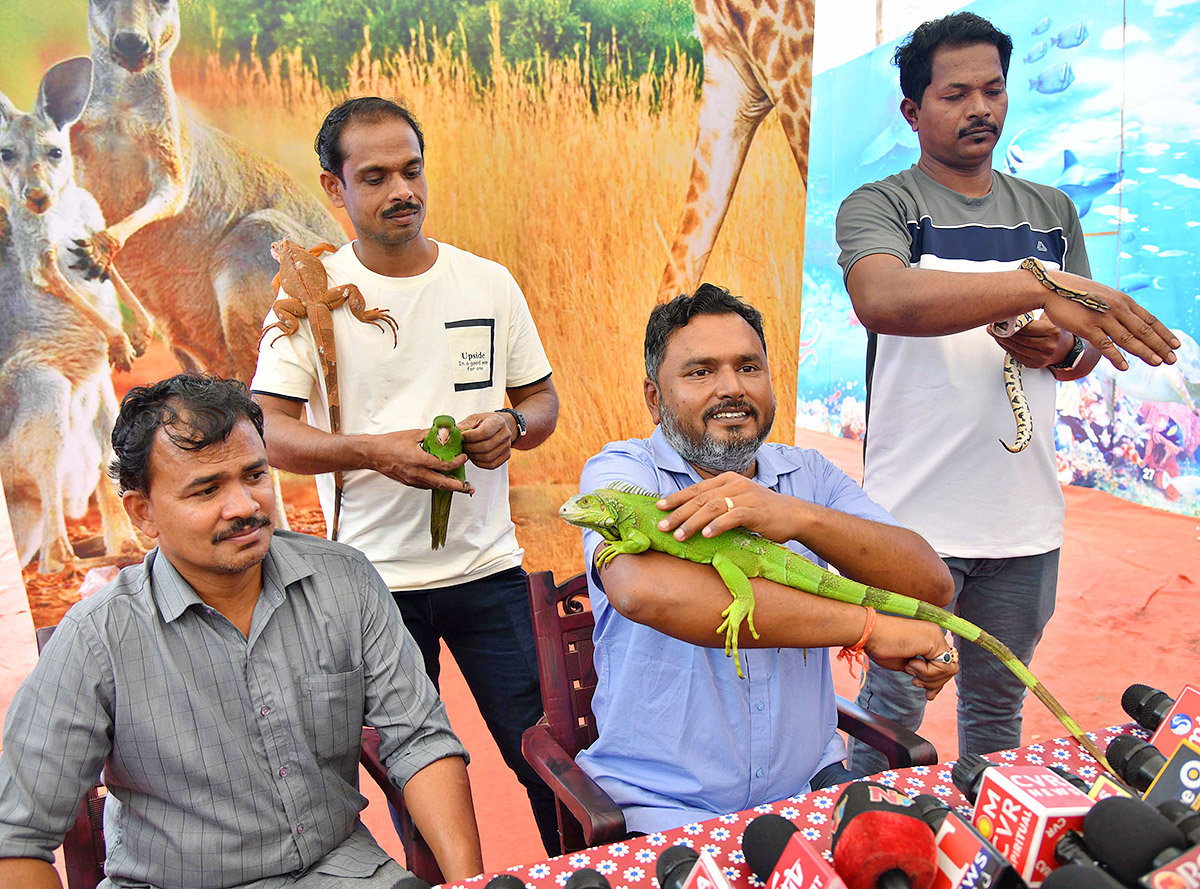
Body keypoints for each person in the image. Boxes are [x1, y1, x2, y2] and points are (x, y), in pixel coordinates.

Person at [834, 12, 1180, 776]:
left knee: (996, 713)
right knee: (888, 715)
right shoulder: (881, 205)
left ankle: (990, 847)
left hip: (1025, 525)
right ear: (912, 111)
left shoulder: (1053, 213)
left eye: (993, 89)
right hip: (911, 522)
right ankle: (863, 840)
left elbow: (1086, 350)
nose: (980, 108)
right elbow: (884, 298)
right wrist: (1036, 285)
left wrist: (1063, 343)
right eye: (956, 93)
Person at [0, 374, 483, 889]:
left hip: (341, 874)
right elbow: (15, 841)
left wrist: (468, 886)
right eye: (207, 489)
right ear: (143, 512)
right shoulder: (98, 639)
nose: (245, 506)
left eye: (254, 476)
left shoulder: (345, 581)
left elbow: (421, 741)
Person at [250, 98, 560, 852]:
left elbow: (542, 402)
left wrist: (511, 429)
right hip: (370, 586)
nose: (402, 191)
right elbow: (269, 429)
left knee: (550, 766)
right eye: (377, 176)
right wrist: (372, 450)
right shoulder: (308, 294)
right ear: (335, 187)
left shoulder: (487, 282)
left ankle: (578, 870)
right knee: (416, 788)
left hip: (489, 572)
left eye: (412, 170)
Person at [573, 286, 959, 834]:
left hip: (807, 789)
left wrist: (797, 517)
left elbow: (932, 583)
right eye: (701, 372)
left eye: (748, 366)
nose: (732, 388)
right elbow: (644, 591)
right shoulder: (623, 476)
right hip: (660, 807)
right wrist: (869, 629)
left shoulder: (810, 475)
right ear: (655, 399)